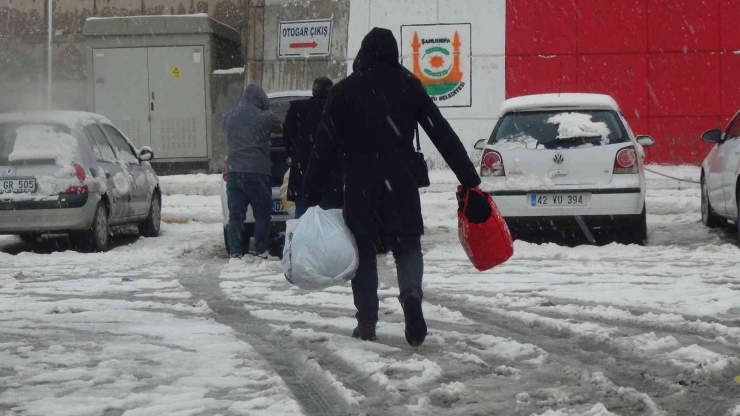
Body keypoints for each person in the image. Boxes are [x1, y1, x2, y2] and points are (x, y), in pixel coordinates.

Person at [302, 28, 481, 347]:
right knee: (408, 246)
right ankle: (411, 296)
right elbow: (441, 132)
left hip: (359, 183)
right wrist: (469, 177)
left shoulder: (344, 90)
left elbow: (324, 146)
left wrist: (310, 192)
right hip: (401, 181)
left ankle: (367, 322)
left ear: (364, 52)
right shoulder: (408, 85)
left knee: (364, 251)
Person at [222, 84, 282, 260]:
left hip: (233, 173)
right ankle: (260, 250)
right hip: (257, 172)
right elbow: (279, 127)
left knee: (235, 216)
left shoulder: (229, 117)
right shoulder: (266, 117)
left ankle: (235, 252)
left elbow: (225, 126)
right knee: (262, 214)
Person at [283, 77, 342, 218]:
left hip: (303, 171)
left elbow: (287, 138)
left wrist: (296, 154)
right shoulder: (337, 109)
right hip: (330, 174)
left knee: (303, 218)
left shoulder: (298, 109)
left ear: (313, 91)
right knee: (330, 219)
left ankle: (305, 239)